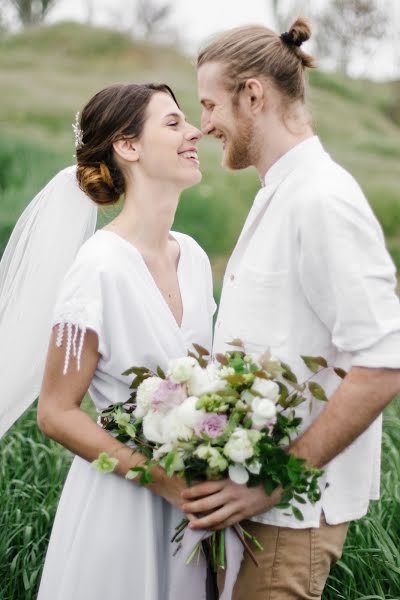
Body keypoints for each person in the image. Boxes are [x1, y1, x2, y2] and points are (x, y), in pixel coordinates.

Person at [181, 17, 400, 599]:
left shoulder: (322, 199)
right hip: (256, 519)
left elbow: (382, 362)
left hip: (289, 522)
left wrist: (277, 483)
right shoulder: (280, 190)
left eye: (209, 105)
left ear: (252, 95)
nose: (203, 126)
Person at [0, 83, 217, 600]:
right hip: (121, 508)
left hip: (193, 513)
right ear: (128, 146)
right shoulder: (97, 267)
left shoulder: (195, 257)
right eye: (173, 123)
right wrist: (162, 480)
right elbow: (56, 412)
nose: (195, 132)